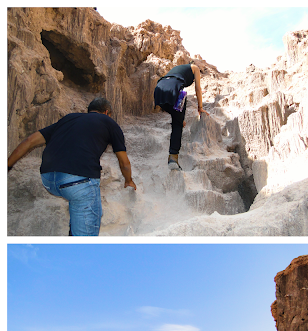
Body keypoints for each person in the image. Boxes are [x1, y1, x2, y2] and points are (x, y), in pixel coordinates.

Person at [7, 97, 136, 236]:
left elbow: (29, 141)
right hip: (78, 181)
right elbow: (124, 162)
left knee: (75, 199)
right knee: (85, 238)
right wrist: (128, 180)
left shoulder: (68, 119)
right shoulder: (109, 122)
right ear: (106, 112)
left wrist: (7, 166)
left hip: (49, 179)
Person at [153, 62, 209, 170]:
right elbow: (198, 88)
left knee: (177, 118)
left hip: (159, 90)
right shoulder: (195, 67)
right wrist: (200, 107)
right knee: (178, 123)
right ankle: (173, 158)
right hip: (173, 90)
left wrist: (179, 117)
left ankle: (179, 119)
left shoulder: (179, 69)